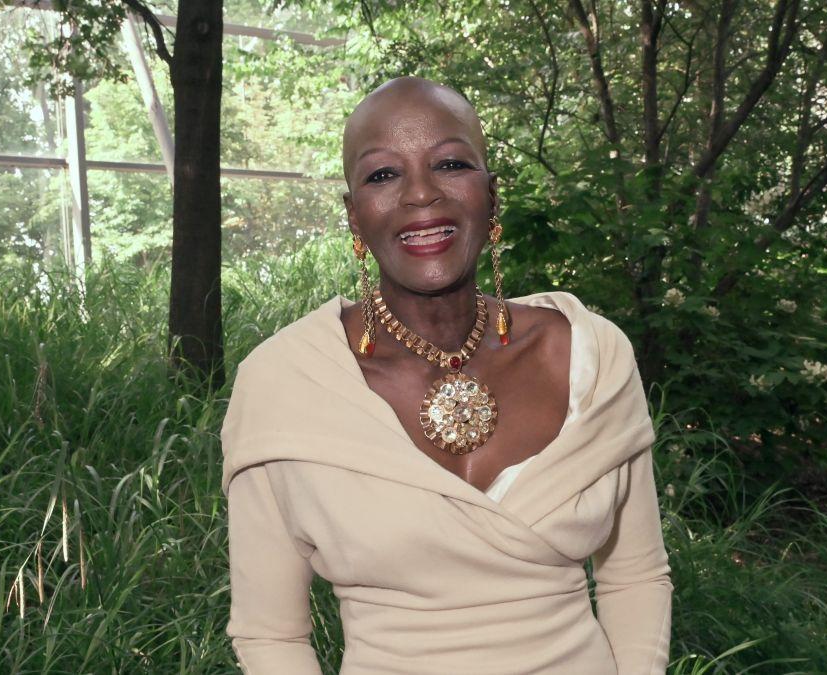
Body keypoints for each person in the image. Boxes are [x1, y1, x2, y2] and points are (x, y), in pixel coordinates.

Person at [221, 76, 672, 674]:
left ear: (492, 195)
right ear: (354, 215)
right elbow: (271, 635)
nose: (421, 194)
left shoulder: (593, 358)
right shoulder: (284, 383)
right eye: (383, 174)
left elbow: (635, 577)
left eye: (451, 164)